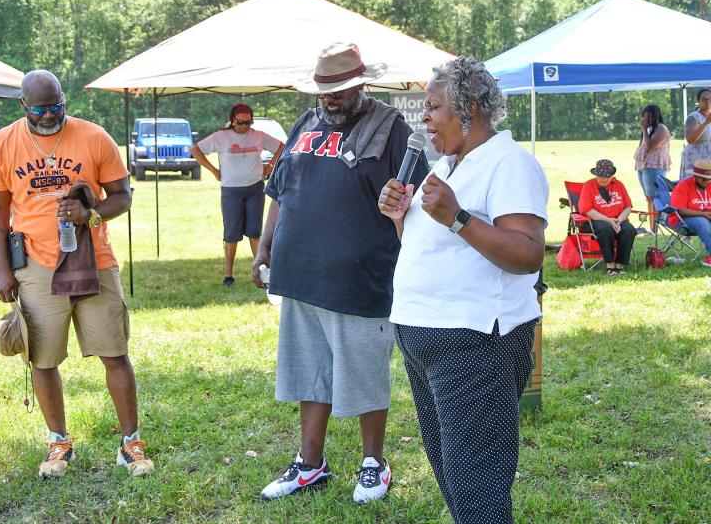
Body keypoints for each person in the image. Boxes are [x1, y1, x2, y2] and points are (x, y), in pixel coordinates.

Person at [251, 42, 428, 504]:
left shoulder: (391, 129)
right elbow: (280, 190)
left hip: (360, 275)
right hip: (301, 272)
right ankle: (311, 464)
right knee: (309, 371)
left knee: (364, 370)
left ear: (361, 84)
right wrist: (265, 247)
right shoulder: (306, 123)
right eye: (323, 91)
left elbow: (418, 202)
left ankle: (374, 462)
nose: (329, 99)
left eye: (339, 91)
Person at [378, 56, 548, 524]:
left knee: (477, 485)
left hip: (475, 342)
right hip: (425, 338)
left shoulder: (510, 164)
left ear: (469, 109)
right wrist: (401, 221)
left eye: (433, 108)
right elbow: (431, 251)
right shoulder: (448, 166)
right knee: (454, 476)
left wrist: (457, 216)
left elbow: (528, 253)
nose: (425, 118)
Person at [0, 70, 154, 479]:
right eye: (39, 108)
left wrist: (89, 213)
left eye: (55, 105)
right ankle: (59, 443)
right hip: (35, 266)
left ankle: (131, 443)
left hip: (94, 260)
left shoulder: (94, 136)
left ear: (64, 99)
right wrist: (2, 270)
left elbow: (123, 196)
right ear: (23, 106)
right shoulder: (4, 143)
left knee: (114, 353)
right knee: (42, 359)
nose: (48, 115)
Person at [191, 104, 284, 287]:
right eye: (241, 122)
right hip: (231, 190)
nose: (244, 126)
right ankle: (228, 275)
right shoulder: (221, 137)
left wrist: (270, 167)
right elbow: (196, 149)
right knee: (231, 234)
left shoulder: (257, 135)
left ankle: (261, 272)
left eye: (248, 122)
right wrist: (213, 171)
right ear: (233, 120)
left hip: (255, 189)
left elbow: (281, 147)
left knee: (255, 232)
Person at [578, 159, 636, 275]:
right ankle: (610, 265)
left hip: (618, 219)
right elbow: (587, 210)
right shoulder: (589, 185)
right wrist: (609, 220)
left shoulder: (619, 185)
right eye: (601, 176)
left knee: (629, 230)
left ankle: (620, 265)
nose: (604, 179)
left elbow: (628, 207)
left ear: (612, 175)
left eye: (607, 176)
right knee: (605, 228)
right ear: (596, 174)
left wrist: (618, 220)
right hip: (595, 220)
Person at [633, 104, 670, 232]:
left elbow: (650, 146)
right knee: (648, 197)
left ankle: (654, 229)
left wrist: (643, 129)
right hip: (644, 166)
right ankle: (652, 228)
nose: (645, 119)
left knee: (654, 198)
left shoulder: (662, 129)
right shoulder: (649, 129)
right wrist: (645, 129)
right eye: (644, 116)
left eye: (649, 116)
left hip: (654, 167)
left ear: (656, 116)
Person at [669, 158, 711, 267]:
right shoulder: (683, 187)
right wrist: (703, 214)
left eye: (709, 179)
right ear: (695, 176)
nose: (707, 182)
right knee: (702, 222)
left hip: (706, 217)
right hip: (682, 220)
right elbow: (680, 210)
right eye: (703, 179)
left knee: (703, 222)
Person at [679, 88, 711, 179]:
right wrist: (706, 123)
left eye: (710, 99)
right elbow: (690, 139)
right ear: (698, 101)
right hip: (695, 158)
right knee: (694, 187)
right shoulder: (693, 117)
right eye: (704, 99)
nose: (708, 101)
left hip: (708, 159)